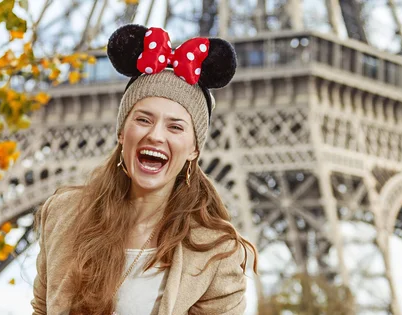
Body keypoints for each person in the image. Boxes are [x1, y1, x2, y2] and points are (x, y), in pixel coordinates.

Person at [31, 24, 258, 315]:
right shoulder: (63, 215)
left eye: (175, 126)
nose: (156, 135)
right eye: (143, 120)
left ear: (194, 149)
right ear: (121, 133)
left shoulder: (215, 253)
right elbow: (41, 308)